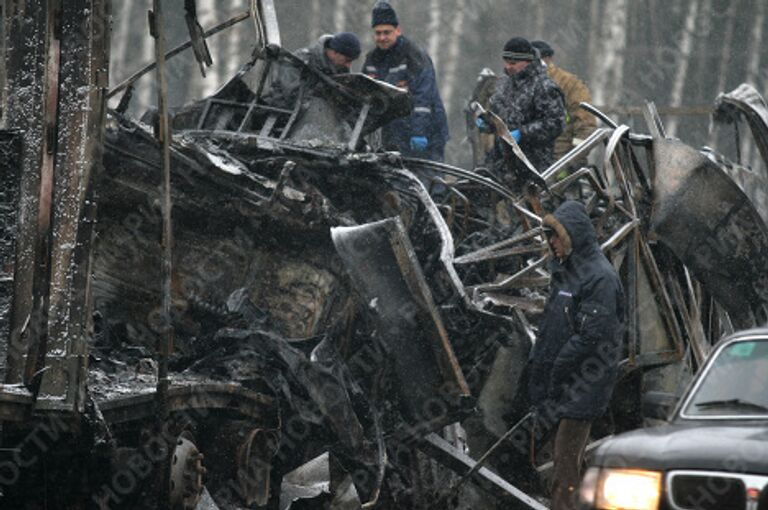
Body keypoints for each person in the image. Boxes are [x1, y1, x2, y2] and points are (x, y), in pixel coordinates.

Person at [528, 200, 624, 510]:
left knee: (564, 468)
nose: (551, 243)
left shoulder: (600, 278)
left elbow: (593, 338)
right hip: (565, 387)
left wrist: (557, 369)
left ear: (573, 236)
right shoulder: (568, 274)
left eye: (555, 236)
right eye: (548, 237)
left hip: (582, 388)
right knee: (569, 463)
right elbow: (554, 328)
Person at [362, 1, 449, 162]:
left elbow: (423, 98)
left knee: (427, 181)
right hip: (393, 134)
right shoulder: (371, 61)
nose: (382, 38)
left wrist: (419, 132)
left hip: (427, 134)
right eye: (378, 33)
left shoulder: (414, 56)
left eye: (387, 32)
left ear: (398, 31)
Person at [485, 37, 565, 181]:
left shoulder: (544, 87)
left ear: (527, 62)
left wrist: (522, 133)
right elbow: (496, 112)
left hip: (533, 166)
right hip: (501, 164)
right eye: (506, 62)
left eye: (513, 63)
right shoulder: (504, 84)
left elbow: (555, 123)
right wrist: (487, 122)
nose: (508, 67)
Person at [531, 40, 597, 164]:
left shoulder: (570, 84)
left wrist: (571, 162)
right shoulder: (518, 83)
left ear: (549, 58)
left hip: (558, 161)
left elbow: (586, 126)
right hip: (525, 163)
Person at [267, 32, 362, 108]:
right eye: (347, 60)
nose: (349, 65)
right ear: (334, 52)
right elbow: (292, 94)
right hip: (280, 113)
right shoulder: (300, 60)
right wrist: (321, 93)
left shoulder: (341, 70)